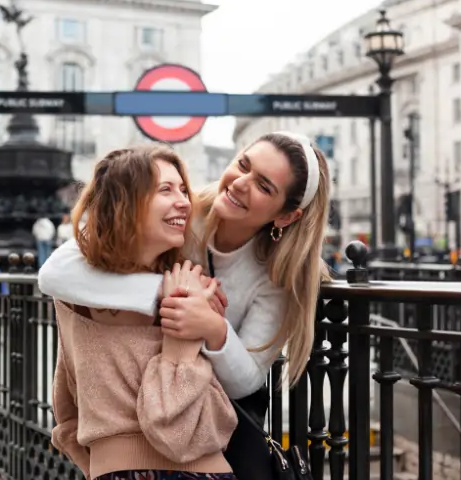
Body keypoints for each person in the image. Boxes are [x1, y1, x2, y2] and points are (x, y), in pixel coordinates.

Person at [40, 132, 331, 478]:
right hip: (147, 425)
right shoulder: (180, 214)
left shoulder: (276, 277)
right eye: (243, 165)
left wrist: (212, 328)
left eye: (264, 186)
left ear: (285, 217)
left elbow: (247, 380)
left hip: (206, 425)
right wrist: (172, 294)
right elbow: (56, 273)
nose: (240, 183)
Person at [50, 145, 238, 480]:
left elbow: (66, 410)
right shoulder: (183, 294)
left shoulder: (72, 295)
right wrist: (181, 346)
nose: (183, 200)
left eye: (183, 189)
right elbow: (172, 429)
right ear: (124, 204)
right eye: (165, 189)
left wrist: (104, 463)